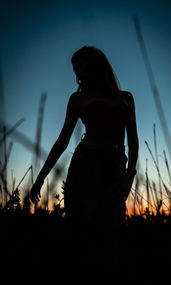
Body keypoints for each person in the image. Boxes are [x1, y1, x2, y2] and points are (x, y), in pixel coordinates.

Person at [30, 46, 139, 266]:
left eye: (82, 65)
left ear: (97, 65)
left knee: (111, 230)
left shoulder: (126, 97)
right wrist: (40, 178)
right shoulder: (78, 99)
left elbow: (133, 140)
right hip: (85, 167)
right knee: (81, 230)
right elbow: (62, 141)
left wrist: (129, 176)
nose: (78, 71)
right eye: (75, 67)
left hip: (115, 167)